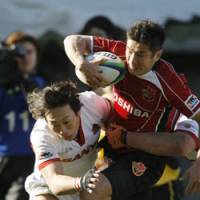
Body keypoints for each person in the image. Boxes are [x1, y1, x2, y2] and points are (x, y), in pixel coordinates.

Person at [64, 20, 200, 200]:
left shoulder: (168, 81)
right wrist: (81, 62)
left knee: (91, 190)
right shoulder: (118, 52)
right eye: (130, 51)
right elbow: (72, 40)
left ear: (157, 54)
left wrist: (199, 164)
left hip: (144, 158)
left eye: (141, 54)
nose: (132, 60)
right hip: (113, 148)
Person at [25, 81, 112, 200]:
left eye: (66, 122)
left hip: (87, 183)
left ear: (78, 112)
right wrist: (80, 182)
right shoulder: (41, 135)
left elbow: (115, 110)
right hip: (48, 187)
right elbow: (54, 183)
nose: (63, 130)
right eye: (54, 124)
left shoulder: (92, 104)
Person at [0, 32, 45, 200]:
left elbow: (42, 108)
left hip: (30, 156)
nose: (25, 56)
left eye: (30, 51)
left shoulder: (41, 84)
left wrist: (23, 82)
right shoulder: (3, 85)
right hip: (3, 156)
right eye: (20, 52)